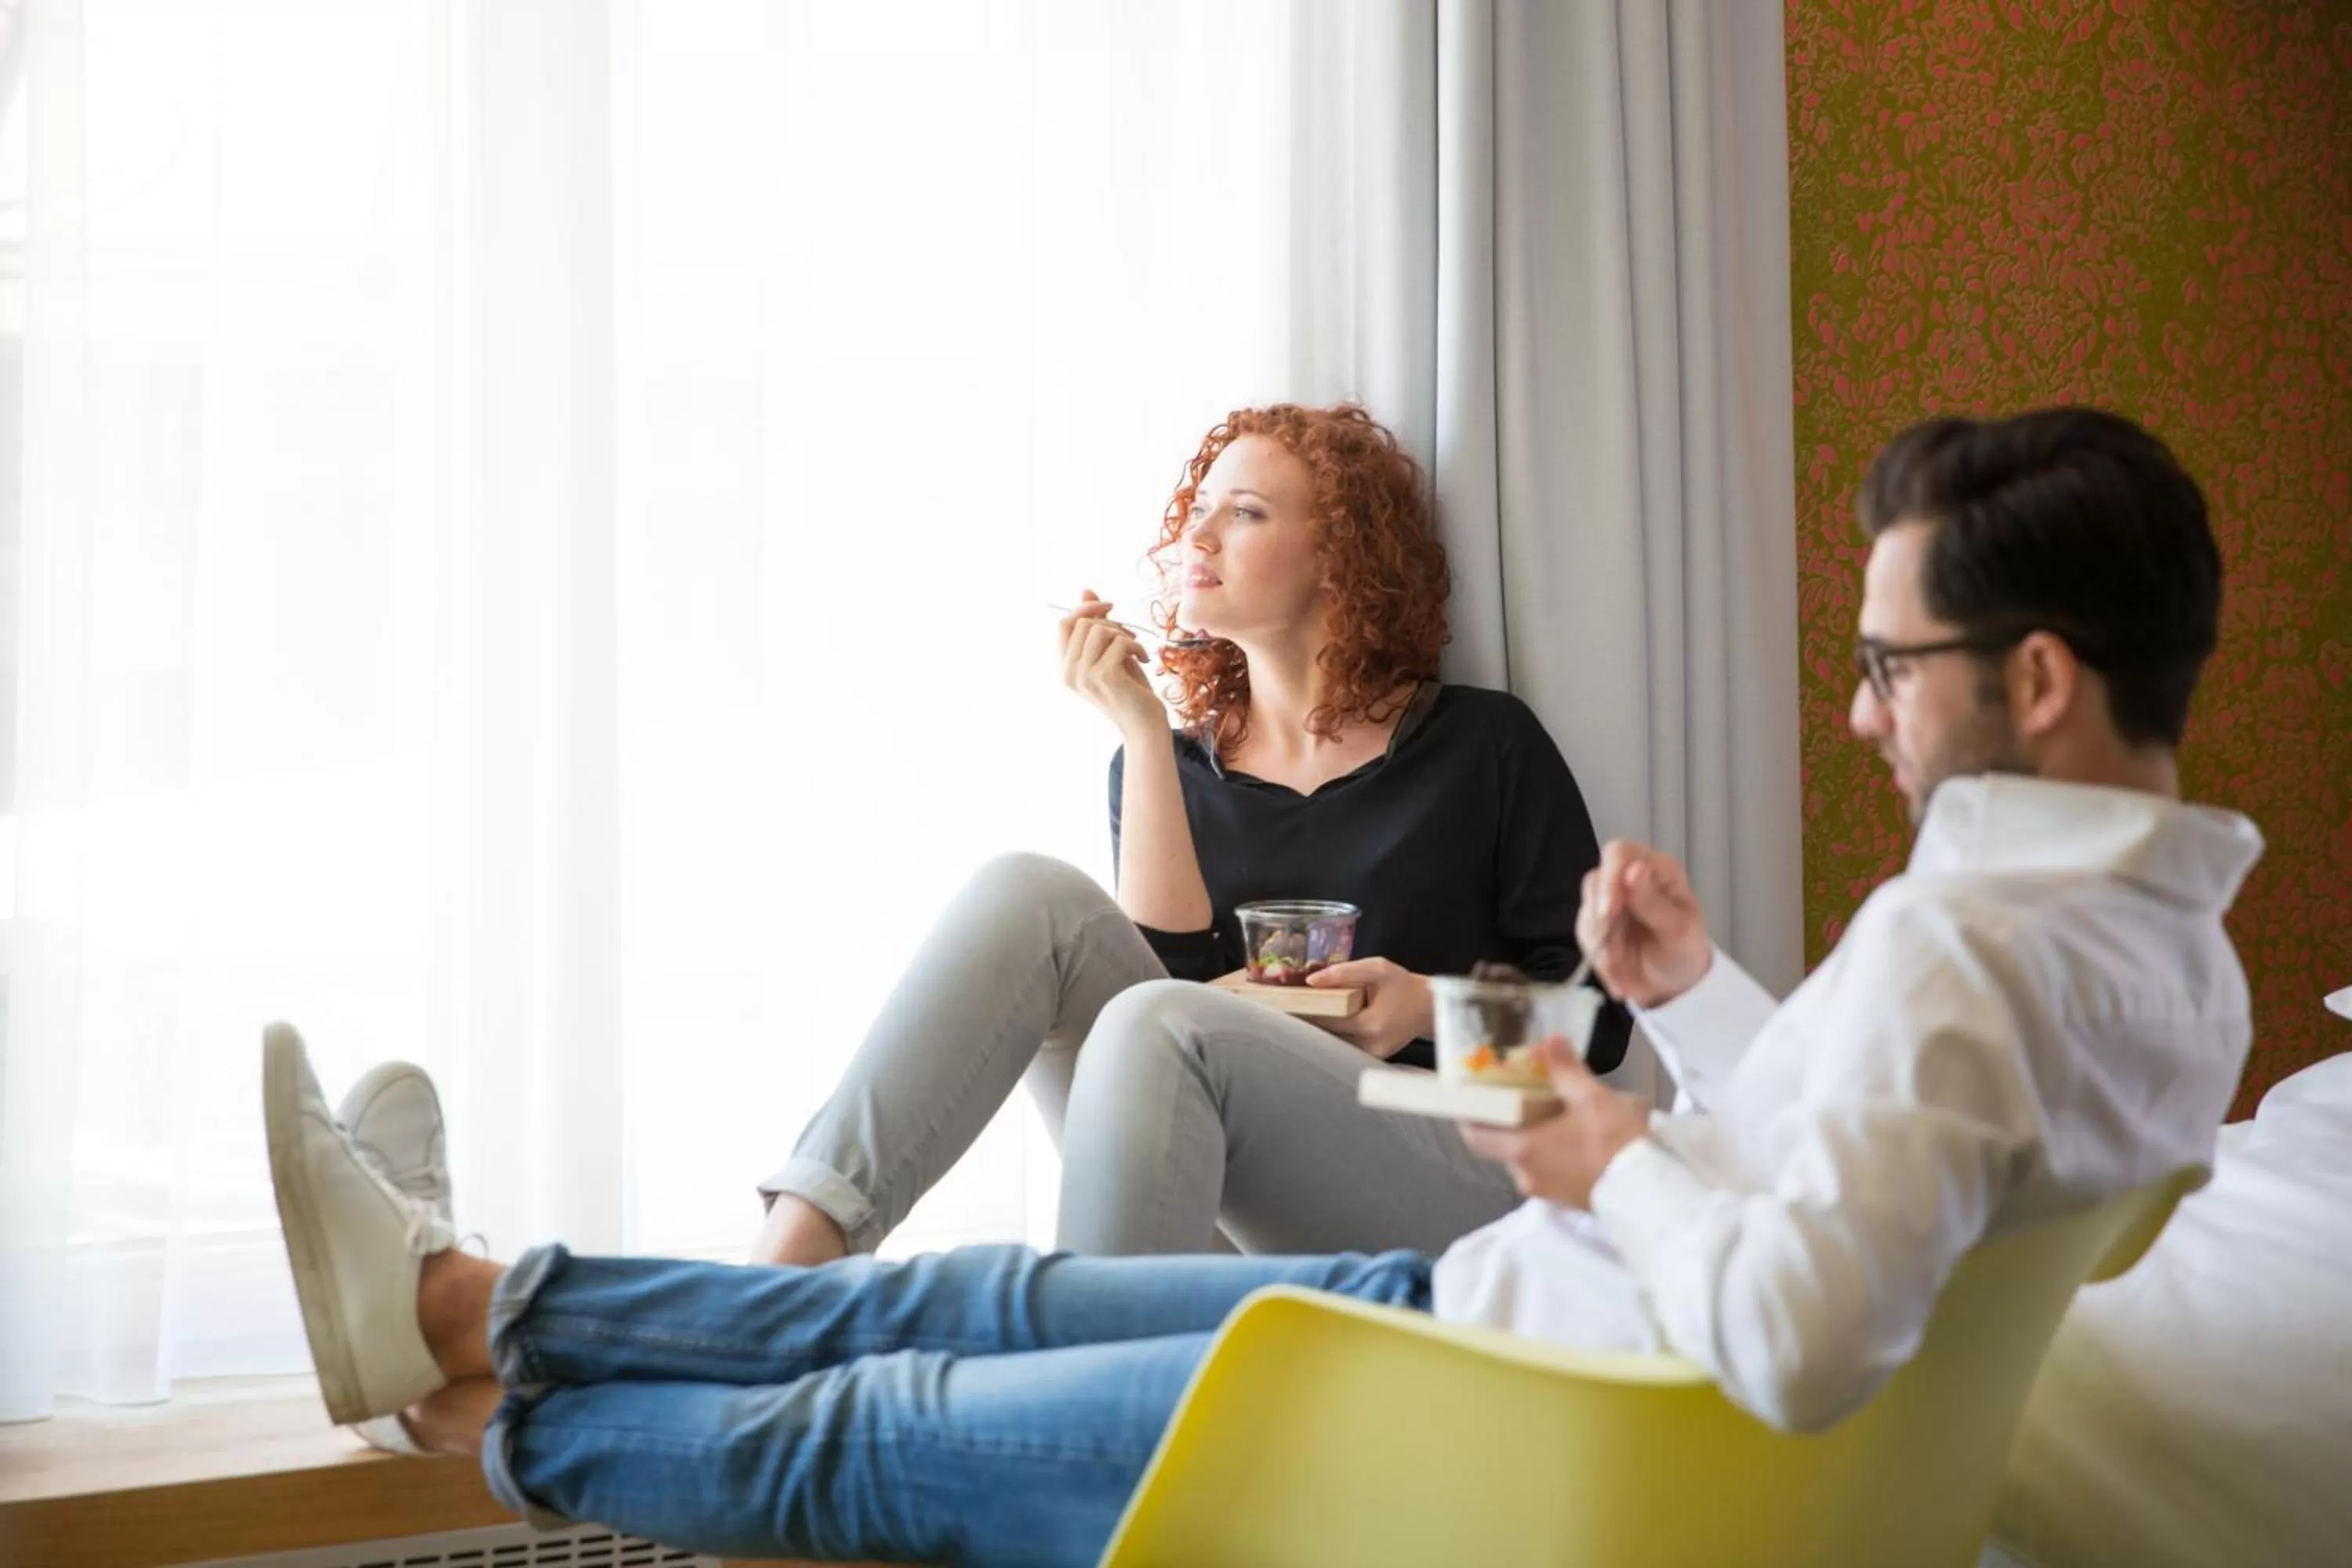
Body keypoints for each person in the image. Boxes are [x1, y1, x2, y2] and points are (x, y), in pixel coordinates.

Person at [263, 406, 2261, 1567]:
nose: (1856, 712)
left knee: (904, 1405)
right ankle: (474, 1317)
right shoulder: (2168, 956)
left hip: (1517, 1351)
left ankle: (470, 1381)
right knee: (974, 1288)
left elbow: (1800, 1324)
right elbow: (1855, 1157)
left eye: (1887, 665)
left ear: (2037, 677)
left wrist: (1581, 1132)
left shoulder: (1948, 934)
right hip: (1506, 1299)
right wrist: (1708, 990)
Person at [749, 401, 1630, 1268]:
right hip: (1229, 1190)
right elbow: (1152, 1012)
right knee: (1031, 894)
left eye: (1243, 512)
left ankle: (1092, 1374)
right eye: (1197, 512)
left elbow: (1601, 1028)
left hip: (1454, 1177)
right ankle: (791, 1264)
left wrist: (1422, 1007)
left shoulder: (1482, 745)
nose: (1198, 537)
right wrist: (1140, 733)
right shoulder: (1167, 770)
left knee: (1166, 1019)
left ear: (1340, 557)